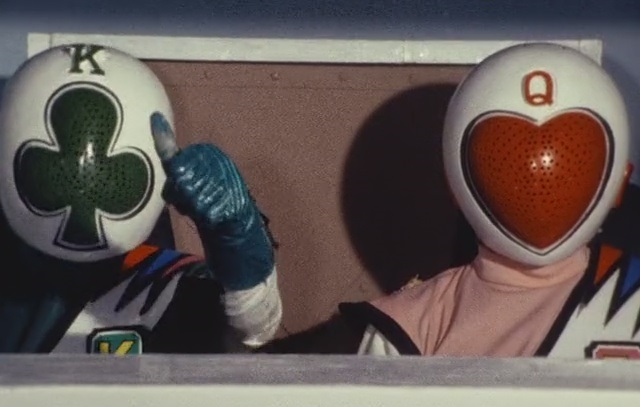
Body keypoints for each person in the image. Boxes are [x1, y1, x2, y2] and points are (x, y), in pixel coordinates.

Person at [261, 42, 639, 359]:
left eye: (572, 155)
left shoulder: (414, 322)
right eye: (504, 156)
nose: (537, 179)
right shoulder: (408, 324)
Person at [0, 44, 281, 353]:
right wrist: (240, 238)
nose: (83, 175)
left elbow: (253, 327)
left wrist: (239, 239)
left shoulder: (160, 285)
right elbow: (253, 328)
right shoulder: (160, 286)